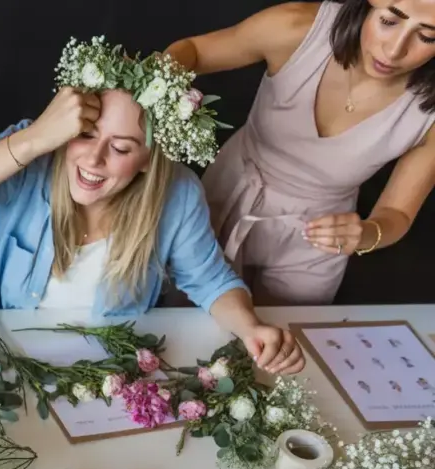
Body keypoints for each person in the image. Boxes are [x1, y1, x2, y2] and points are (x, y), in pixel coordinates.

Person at [0, 37, 305, 375]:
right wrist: (34, 139)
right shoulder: (36, 156)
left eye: (120, 148)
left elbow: (211, 282)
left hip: (111, 372)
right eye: (85, 135)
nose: (94, 159)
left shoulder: (177, 194)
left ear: (149, 158)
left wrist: (251, 327)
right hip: (8, 363)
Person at [166, 0, 435, 304]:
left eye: (427, 37)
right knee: (185, 328)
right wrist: (152, 86)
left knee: (286, 343)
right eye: (388, 21)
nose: (395, 50)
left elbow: (396, 213)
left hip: (315, 244)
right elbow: (194, 50)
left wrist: (364, 234)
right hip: (223, 198)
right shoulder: (298, 27)